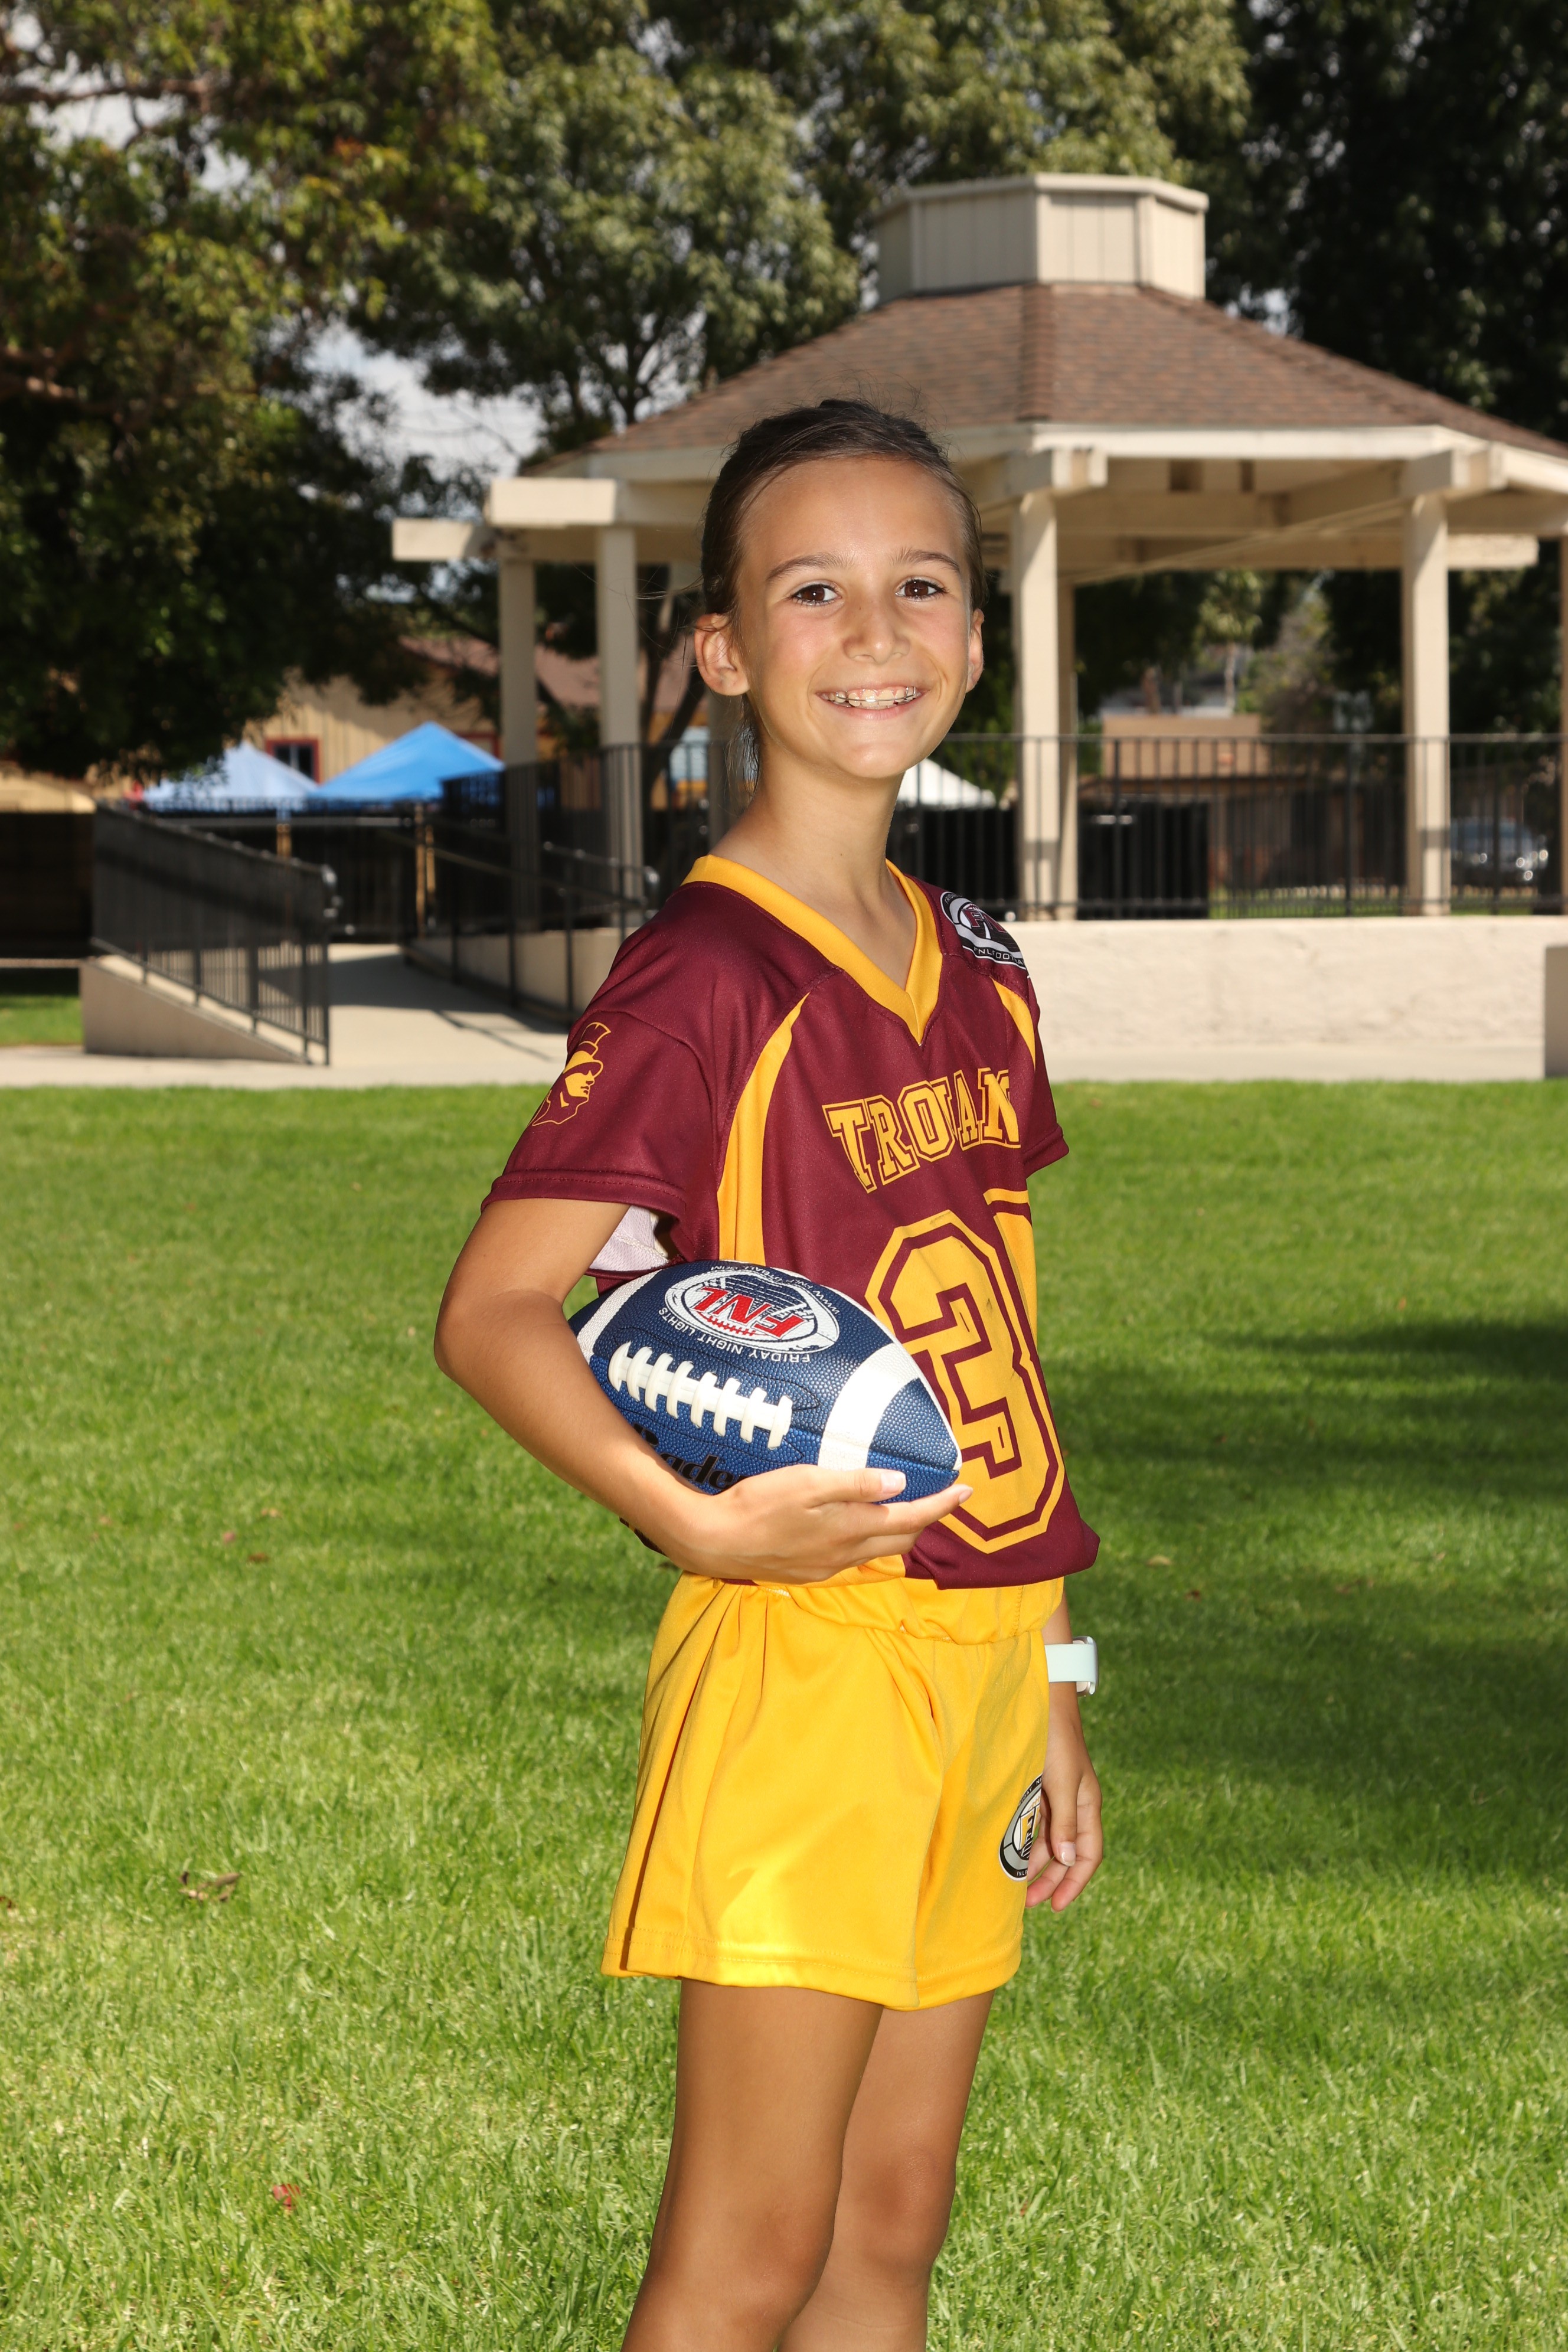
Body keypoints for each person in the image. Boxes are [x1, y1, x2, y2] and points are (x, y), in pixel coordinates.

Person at [435, 398, 1103, 2351]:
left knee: (890, 2226)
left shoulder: (979, 958)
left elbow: (1005, 1334)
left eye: (922, 586)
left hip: (980, 1657)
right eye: (815, 591)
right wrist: (698, 1527)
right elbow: (496, 1311)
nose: (875, 632)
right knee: (749, 2251)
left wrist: (1055, 1669)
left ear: (974, 634)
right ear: (725, 650)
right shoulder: (705, 979)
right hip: (809, 1660)